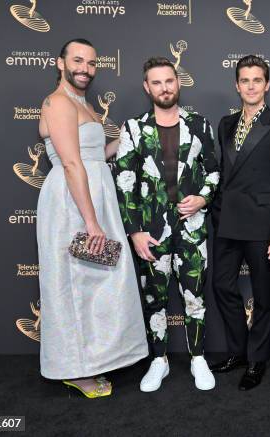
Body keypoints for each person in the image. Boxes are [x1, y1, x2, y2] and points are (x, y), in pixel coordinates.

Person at [37, 38, 148, 398]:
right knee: (72, 286)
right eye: (77, 60)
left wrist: (129, 137)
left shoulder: (81, 102)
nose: (85, 68)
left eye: (91, 62)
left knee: (96, 284)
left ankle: (94, 359)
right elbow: (71, 163)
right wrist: (91, 221)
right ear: (60, 63)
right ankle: (75, 370)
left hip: (96, 197)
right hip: (73, 203)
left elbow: (94, 155)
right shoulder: (57, 103)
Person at [115, 57, 219, 392]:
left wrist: (203, 198)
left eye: (169, 81)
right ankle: (158, 360)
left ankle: (198, 358)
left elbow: (215, 172)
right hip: (151, 232)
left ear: (178, 82)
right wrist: (134, 232)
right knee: (154, 299)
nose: (165, 88)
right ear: (147, 87)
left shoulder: (200, 124)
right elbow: (124, 184)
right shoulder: (132, 128)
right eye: (157, 82)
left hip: (192, 228)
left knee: (195, 297)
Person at [210, 55, 270, 390]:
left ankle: (257, 360)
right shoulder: (225, 124)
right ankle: (239, 350)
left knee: (262, 297)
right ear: (236, 85)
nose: (250, 86)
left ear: (267, 84)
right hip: (228, 222)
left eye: (257, 80)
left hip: (263, 226)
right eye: (244, 80)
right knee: (221, 285)